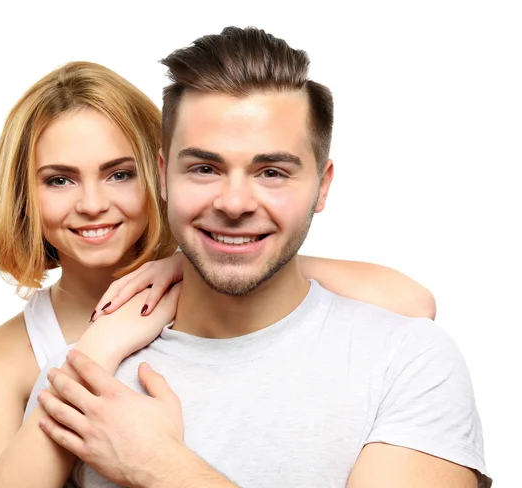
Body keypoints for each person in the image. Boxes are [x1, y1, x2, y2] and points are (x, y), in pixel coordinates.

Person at [33, 27, 491, 487]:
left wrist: (158, 465)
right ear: (162, 176)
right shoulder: (85, 379)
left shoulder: (407, 360)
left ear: (322, 186)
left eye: (271, 172)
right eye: (205, 168)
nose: (235, 204)